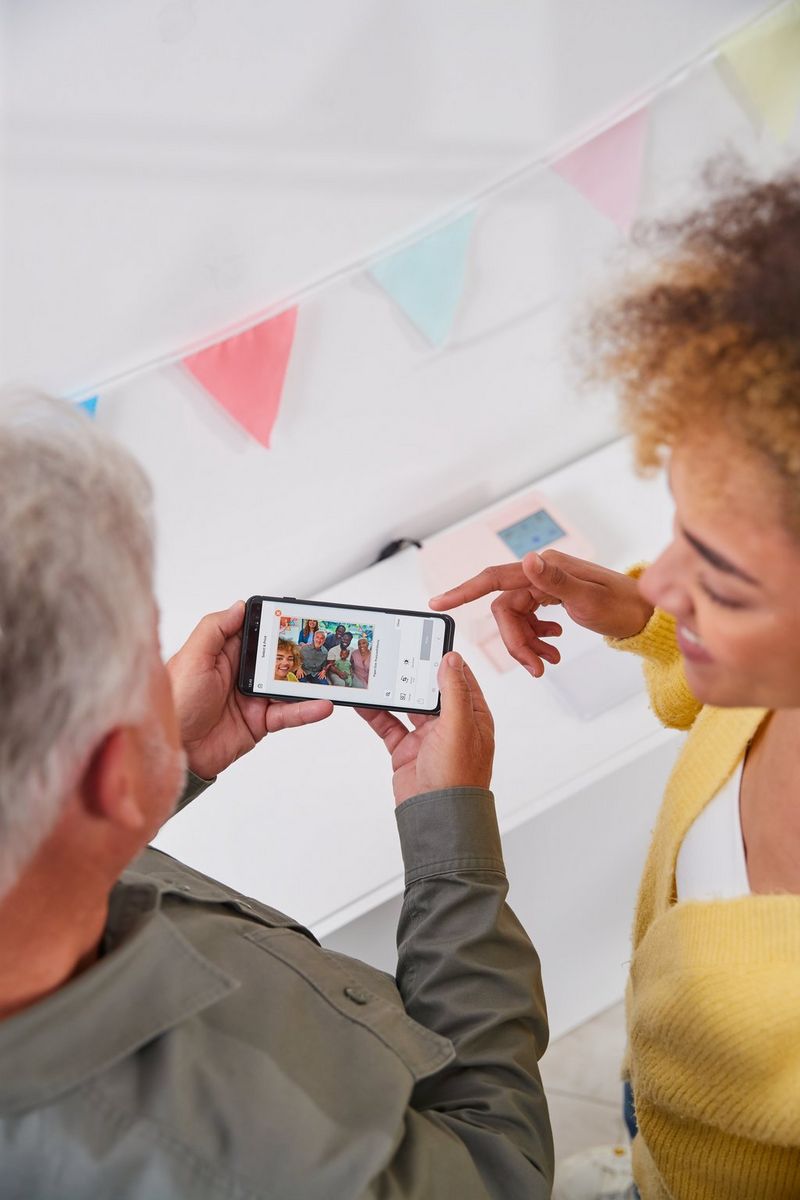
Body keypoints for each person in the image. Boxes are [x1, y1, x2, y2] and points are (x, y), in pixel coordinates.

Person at [0, 389, 555, 1198]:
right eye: (142, 658)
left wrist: (167, 761)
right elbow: (501, 1172)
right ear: (107, 773)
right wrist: (454, 845)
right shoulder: (240, 1171)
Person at [430, 162, 800, 1199]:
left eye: (720, 579)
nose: (665, 579)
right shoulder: (768, 682)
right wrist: (641, 621)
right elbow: (705, 700)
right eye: (680, 529)